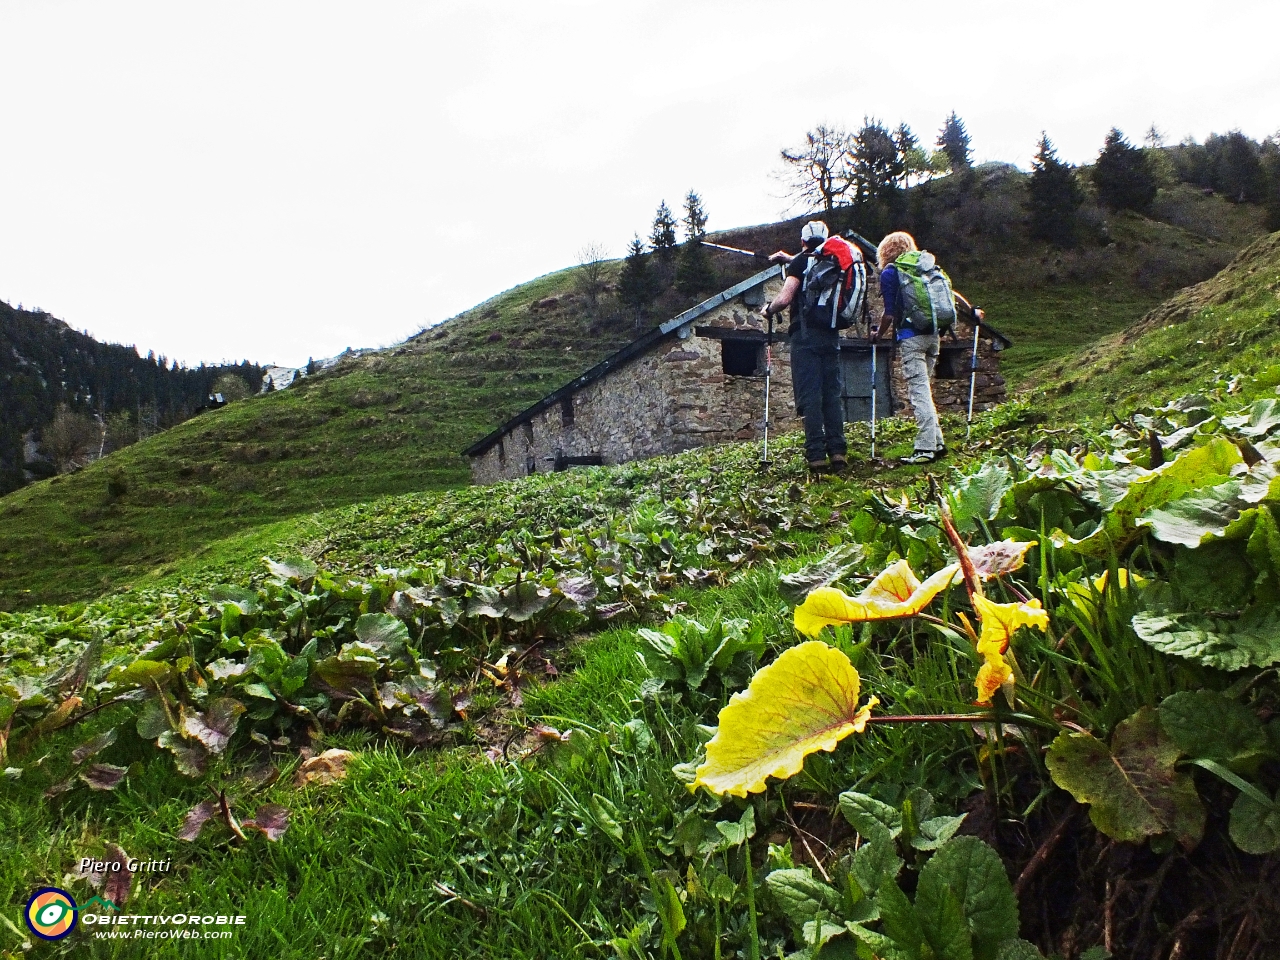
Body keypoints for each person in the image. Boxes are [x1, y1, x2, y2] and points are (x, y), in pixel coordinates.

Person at [871, 231, 981, 465]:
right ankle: (938, 443)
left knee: (919, 394)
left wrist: (877, 334)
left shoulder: (891, 272)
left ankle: (925, 449)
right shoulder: (924, 267)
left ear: (885, 251)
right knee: (925, 391)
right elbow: (951, 294)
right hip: (933, 336)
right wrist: (972, 312)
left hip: (912, 338)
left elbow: (889, 313)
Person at [760, 221, 848, 475]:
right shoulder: (834, 261)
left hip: (805, 337)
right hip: (831, 336)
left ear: (802, 242)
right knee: (831, 394)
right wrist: (789, 259)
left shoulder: (800, 263)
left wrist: (768, 309)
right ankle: (838, 452)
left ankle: (816, 456)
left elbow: (786, 298)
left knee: (810, 396)